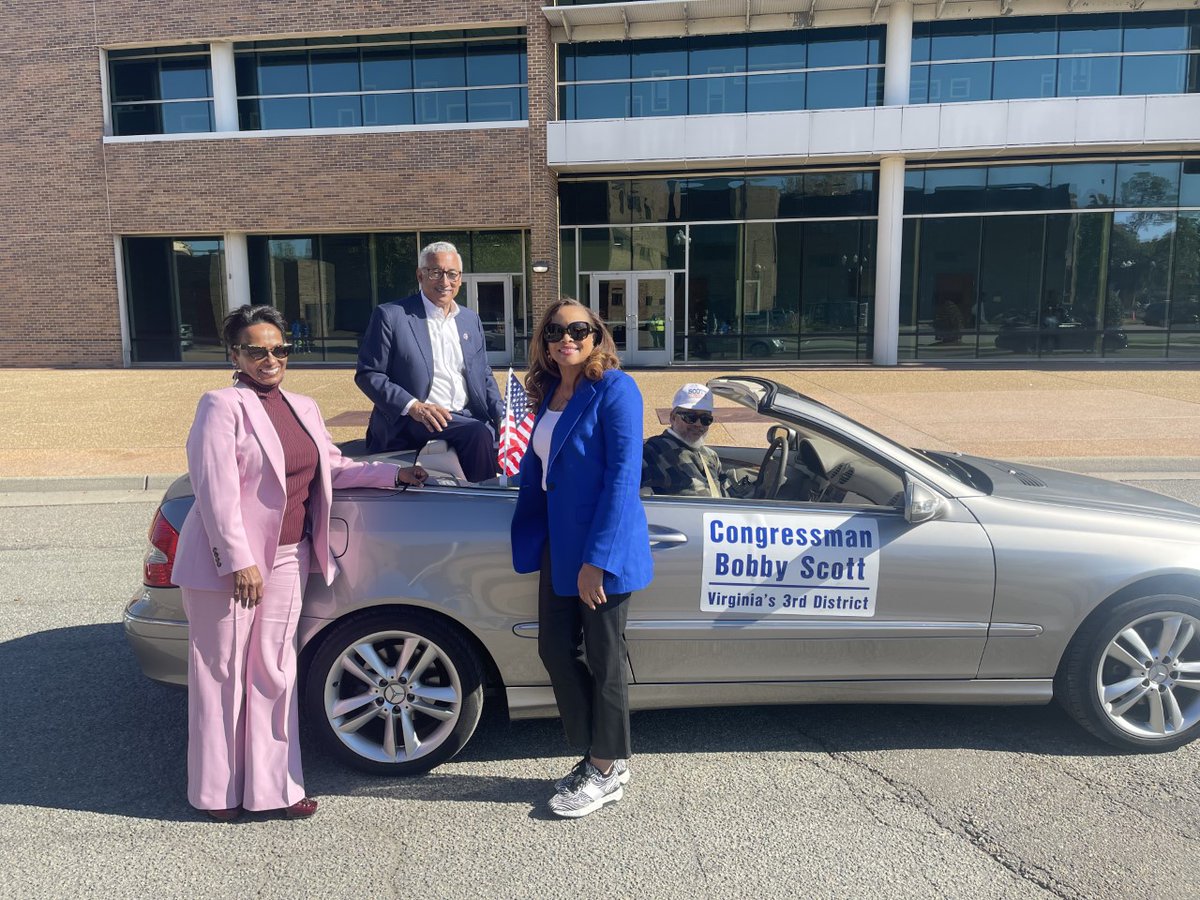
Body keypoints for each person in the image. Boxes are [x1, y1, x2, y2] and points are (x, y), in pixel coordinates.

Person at [171, 304, 427, 822]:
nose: (270, 359)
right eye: (257, 350)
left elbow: (331, 466)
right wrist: (238, 561)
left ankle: (275, 788)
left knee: (275, 672)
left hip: (288, 558)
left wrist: (391, 475)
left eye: (279, 349)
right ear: (235, 354)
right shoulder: (221, 405)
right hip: (229, 566)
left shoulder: (302, 406)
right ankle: (218, 792)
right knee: (220, 674)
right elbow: (214, 487)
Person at [510, 298, 652, 818]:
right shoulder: (547, 392)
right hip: (557, 544)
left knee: (604, 656)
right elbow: (543, 464)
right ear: (544, 340)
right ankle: (601, 753)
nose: (565, 338)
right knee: (553, 648)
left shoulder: (615, 388)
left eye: (578, 329)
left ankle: (604, 766)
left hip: (600, 549)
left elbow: (622, 477)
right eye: (555, 330)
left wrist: (598, 560)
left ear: (597, 336)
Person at [355, 241, 504, 482]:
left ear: (460, 278)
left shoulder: (469, 319)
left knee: (509, 436)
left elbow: (483, 374)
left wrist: (503, 416)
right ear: (420, 275)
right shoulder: (391, 316)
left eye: (452, 274)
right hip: (413, 419)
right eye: (436, 272)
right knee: (477, 434)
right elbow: (368, 374)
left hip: (464, 415)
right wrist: (414, 406)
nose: (445, 281)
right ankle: (484, 505)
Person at [642, 383, 729, 498]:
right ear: (673, 417)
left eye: (705, 419)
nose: (698, 424)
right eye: (690, 417)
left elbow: (728, 497)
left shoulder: (710, 456)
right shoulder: (650, 451)